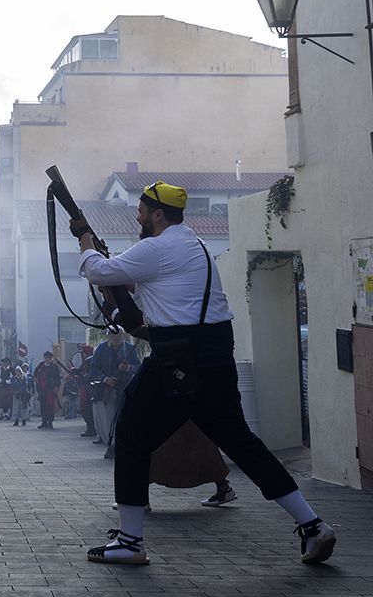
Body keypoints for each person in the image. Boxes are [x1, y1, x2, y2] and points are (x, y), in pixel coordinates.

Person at [75, 180, 335, 565]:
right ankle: (311, 524)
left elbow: (98, 272)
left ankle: (130, 541)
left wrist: (84, 240)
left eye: (143, 210)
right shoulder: (193, 245)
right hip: (213, 354)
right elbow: (142, 285)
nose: (138, 216)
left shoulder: (157, 248)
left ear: (158, 214)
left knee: (129, 435)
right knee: (242, 443)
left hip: (177, 358)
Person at [88, 328, 140, 459]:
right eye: (113, 334)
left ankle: (122, 446)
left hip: (125, 389)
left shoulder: (129, 348)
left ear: (123, 335)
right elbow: (93, 368)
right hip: (107, 390)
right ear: (109, 335)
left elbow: (138, 367)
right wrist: (106, 379)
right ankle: (111, 445)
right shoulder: (101, 349)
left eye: (119, 334)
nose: (116, 337)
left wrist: (127, 368)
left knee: (124, 418)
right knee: (108, 419)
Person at [34, 350, 62, 429]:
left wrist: (56, 387)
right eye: (46, 357)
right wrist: (35, 379)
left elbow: (57, 378)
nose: (47, 359)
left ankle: (50, 422)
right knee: (43, 405)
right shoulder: (41, 365)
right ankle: (44, 421)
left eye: (49, 358)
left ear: (51, 358)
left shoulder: (54, 367)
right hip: (42, 389)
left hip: (50, 389)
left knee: (50, 406)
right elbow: (35, 373)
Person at [11, 361, 32, 426]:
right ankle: (16, 420)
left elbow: (24, 386)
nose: (17, 373)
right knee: (16, 408)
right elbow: (12, 386)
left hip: (22, 395)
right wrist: (14, 391)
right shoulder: (13, 379)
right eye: (16, 371)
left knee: (23, 408)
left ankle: (24, 420)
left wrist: (19, 391)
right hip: (16, 395)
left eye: (18, 371)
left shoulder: (23, 378)